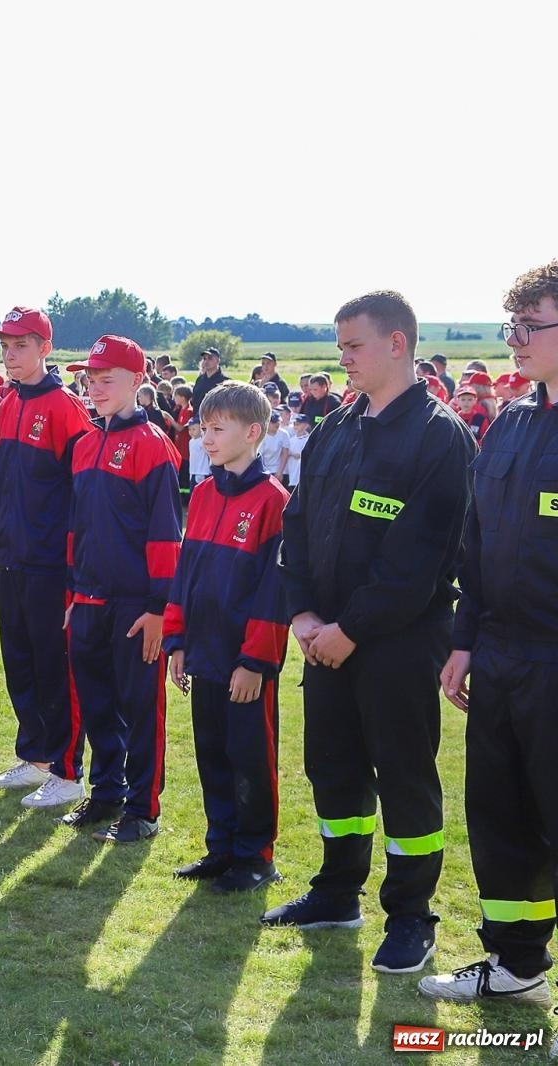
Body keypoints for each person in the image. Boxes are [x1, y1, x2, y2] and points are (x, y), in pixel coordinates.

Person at [267, 290, 476, 976]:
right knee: (333, 768)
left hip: (397, 643)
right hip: (323, 639)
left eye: (353, 346)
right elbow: (296, 523)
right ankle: (336, 892)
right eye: (339, 346)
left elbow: (418, 559)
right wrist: (301, 614)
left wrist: (349, 628)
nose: (342, 359)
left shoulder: (440, 437)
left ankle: (411, 916)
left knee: (405, 777)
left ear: (397, 344)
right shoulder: (337, 427)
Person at [419, 261, 558, 1005]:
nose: (515, 341)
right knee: (501, 818)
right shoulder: (509, 424)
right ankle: (516, 966)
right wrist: (465, 637)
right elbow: (475, 543)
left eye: (530, 326)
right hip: (501, 656)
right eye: (513, 327)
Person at [163, 382, 290, 893]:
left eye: (218, 429)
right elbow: (186, 572)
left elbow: (274, 590)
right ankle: (221, 847)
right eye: (203, 428)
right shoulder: (206, 492)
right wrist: (177, 640)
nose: (206, 438)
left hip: (243, 663)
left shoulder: (274, 502)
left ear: (253, 432)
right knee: (212, 752)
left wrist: (255, 662)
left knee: (249, 758)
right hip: (205, 653)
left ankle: (255, 855)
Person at [61, 335, 181, 843]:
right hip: (86, 600)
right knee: (96, 705)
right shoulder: (85, 444)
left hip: (135, 606)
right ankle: (105, 791)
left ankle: (141, 810)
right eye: (90, 379)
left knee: (139, 707)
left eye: (107, 379)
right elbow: (76, 529)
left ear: (137, 381)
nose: (96, 388)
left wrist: (160, 609)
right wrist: (72, 597)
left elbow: (164, 535)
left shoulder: (154, 446)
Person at [0, 308, 93, 810]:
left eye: (20, 345)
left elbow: (81, 492)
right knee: (19, 661)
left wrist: (73, 564)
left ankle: (68, 771)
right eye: (5, 345)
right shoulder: (9, 402)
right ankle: (36, 757)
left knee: (55, 665)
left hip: (50, 563)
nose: (9, 354)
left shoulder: (65, 407)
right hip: (11, 556)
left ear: (44, 348)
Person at [191, 346, 229, 411]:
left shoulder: (225, 382)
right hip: (198, 417)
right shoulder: (200, 379)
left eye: (210, 358)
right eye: (204, 358)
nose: (206, 361)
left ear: (218, 361)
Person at [258, 410, 289, 483]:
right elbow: (259, 456)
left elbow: (285, 453)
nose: (277, 424)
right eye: (273, 422)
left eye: (278, 421)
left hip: (279, 470)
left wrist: (280, 472)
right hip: (263, 470)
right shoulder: (261, 435)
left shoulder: (284, 434)